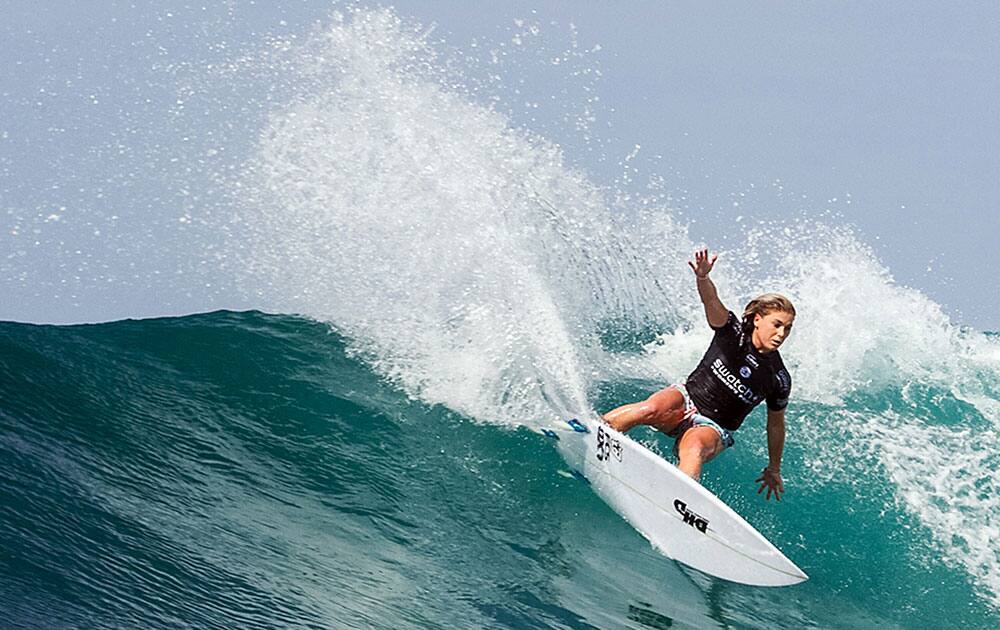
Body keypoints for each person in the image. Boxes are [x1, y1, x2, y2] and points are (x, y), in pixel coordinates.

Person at [602, 248, 794, 501]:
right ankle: (595, 432)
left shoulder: (777, 377)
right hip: (686, 399)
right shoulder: (732, 333)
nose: (781, 334)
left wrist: (774, 468)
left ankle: (676, 502)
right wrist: (703, 278)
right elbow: (711, 302)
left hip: (713, 427)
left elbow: (776, 424)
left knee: (693, 447)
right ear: (758, 319)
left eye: (788, 329)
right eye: (777, 325)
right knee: (648, 410)